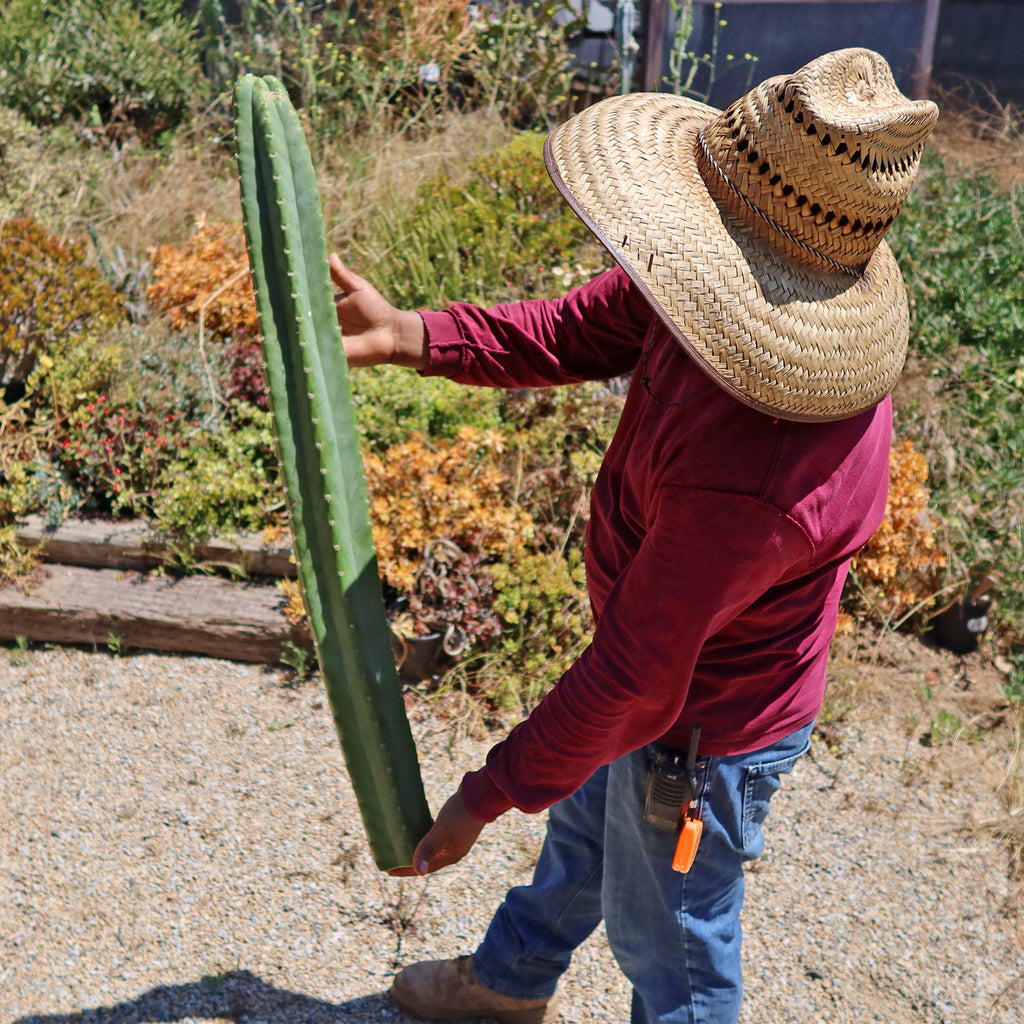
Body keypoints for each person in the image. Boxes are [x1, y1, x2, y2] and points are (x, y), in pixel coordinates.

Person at [329, 48, 938, 1024]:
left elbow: (633, 680)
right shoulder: (723, 294)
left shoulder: (755, 476)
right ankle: (509, 983)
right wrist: (417, 335)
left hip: (706, 733)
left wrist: (487, 792)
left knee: (675, 941)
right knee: (588, 829)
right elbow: (586, 325)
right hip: (668, 686)